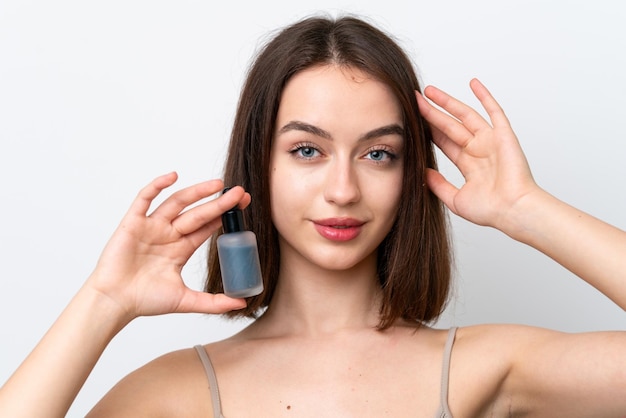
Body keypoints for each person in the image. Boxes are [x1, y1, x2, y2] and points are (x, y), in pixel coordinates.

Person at [1, 15, 625, 418]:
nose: (343, 189)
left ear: (409, 175)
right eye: (307, 150)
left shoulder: (487, 367)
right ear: (259, 166)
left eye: (379, 154)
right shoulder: (173, 395)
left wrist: (527, 209)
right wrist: (104, 299)